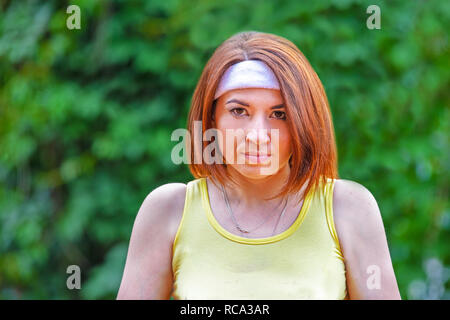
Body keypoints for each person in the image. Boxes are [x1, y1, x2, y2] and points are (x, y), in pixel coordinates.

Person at [117, 31, 401, 300]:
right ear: (211, 117)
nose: (256, 135)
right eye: (239, 111)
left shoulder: (348, 208)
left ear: (304, 122)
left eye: (279, 114)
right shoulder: (169, 210)